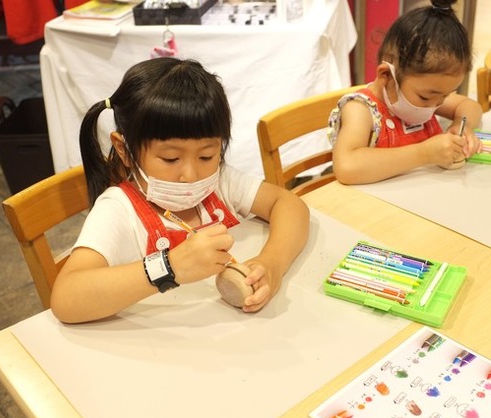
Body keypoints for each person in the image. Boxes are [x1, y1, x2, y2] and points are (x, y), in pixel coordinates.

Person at [51, 57, 309, 324]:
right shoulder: (118, 209)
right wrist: (169, 267)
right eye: (171, 159)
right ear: (124, 150)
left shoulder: (220, 182)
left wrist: (272, 263)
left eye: (207, 156)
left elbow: (289, 204)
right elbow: (66, 299)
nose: (191, 175)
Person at [328, 0, 483, 185]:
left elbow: (469, 106)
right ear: (387, 76)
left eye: (444, 96)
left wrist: (462, 126)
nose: (434, 106)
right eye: (425, 97)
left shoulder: (431, 97)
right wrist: (424, 154)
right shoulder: (361, 110)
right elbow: (346, 167)